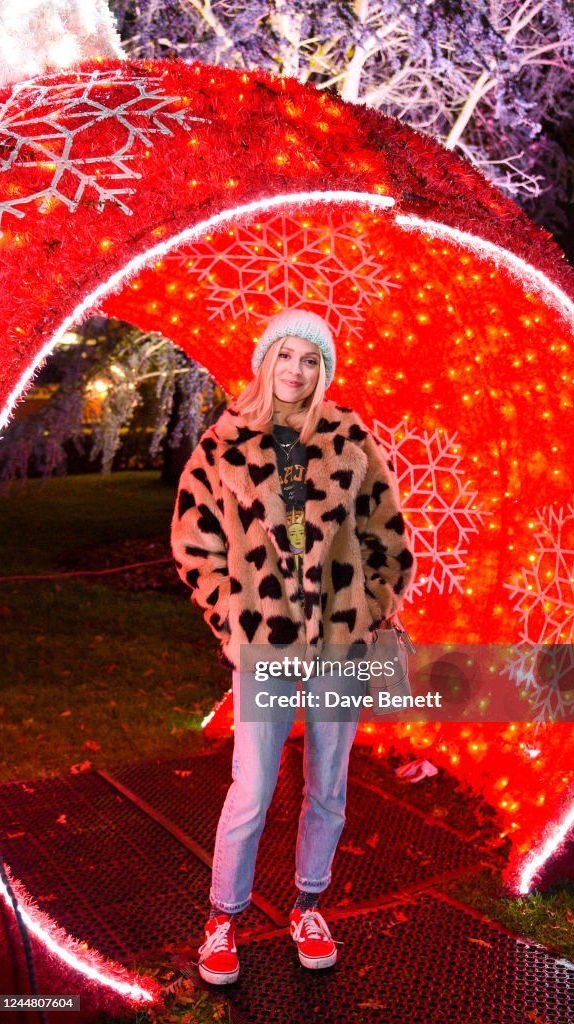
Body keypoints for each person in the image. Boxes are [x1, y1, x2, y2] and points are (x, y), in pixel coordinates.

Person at [170, 309, 416, 984]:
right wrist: (229, 612)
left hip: (340, 640)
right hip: (266, 642)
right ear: (265, 361)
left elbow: (387, 535)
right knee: (252, 786)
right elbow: (195, 540)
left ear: (324, 370)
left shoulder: (348, 436)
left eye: (311, 360)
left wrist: (371, 607)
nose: (297, 371)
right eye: (286, 356)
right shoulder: (226, 442)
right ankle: (222, 919)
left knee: (328, 786)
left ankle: (309, 906)